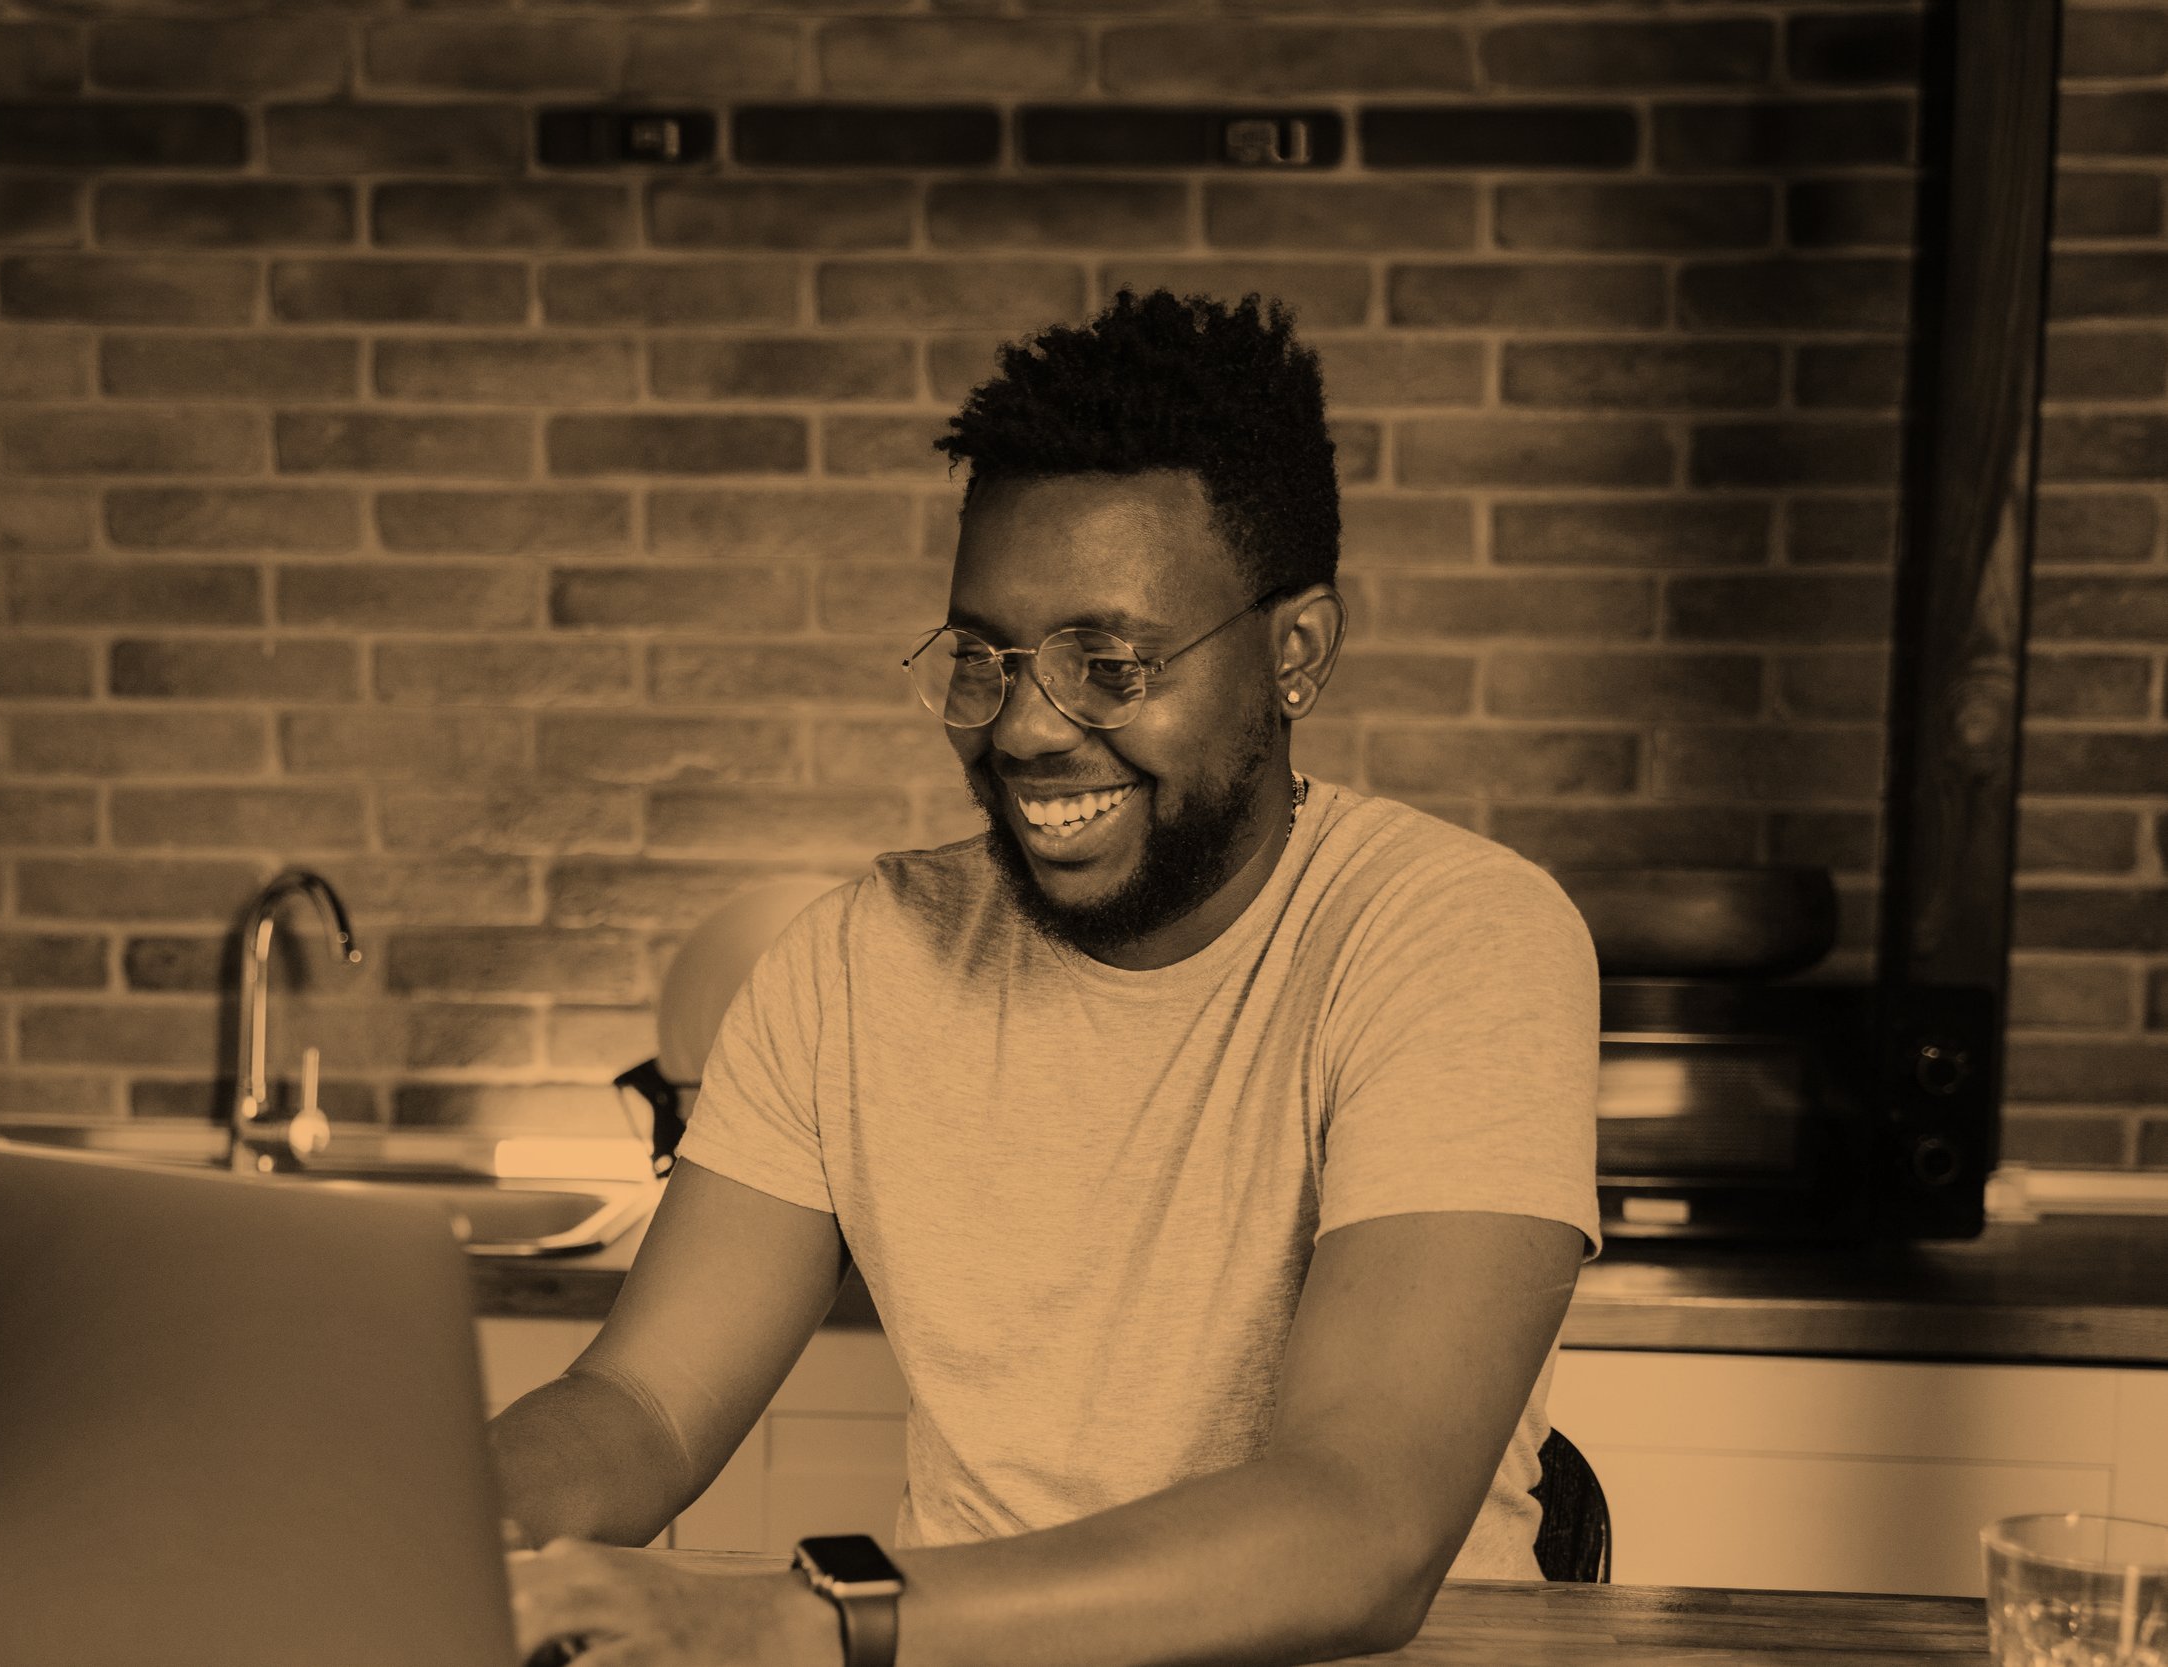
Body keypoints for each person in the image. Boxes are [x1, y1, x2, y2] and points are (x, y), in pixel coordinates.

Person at [495, 288, 1601, 1667]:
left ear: (1296, 651)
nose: (1024, 728)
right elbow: (645, 1404)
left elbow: (1358, 1529)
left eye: (1109, 664)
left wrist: (794, 1621)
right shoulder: (854, 959)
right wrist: (440, 1527)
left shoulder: (1455, 936)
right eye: (987, 659)